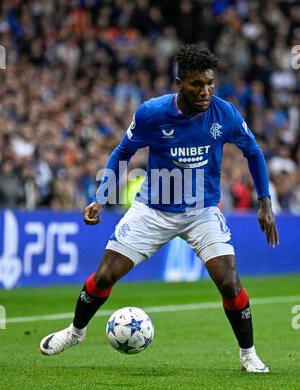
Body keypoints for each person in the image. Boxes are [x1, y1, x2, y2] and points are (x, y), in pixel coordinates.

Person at [40, 44, 279, 372]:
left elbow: (253, 152)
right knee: (106, 275)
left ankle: (248, 355)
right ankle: (75, 332)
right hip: (152, 210)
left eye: (210, 84)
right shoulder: (152, 114)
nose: (205, 91)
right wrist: (102, 195)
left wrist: (264, 201)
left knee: (229, 281)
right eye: (197, 84)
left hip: (202, 211)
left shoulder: (225, 114)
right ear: (179, 84)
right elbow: (122, 151)